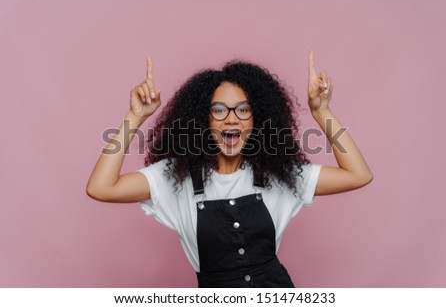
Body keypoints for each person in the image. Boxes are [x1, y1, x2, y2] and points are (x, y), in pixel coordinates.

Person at [86, 52, 373, 287]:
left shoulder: (279, 176)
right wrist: (135, 116)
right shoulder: (175, 179)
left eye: (243, 110)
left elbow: (357, 174)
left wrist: (322, 111)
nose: (231, 120)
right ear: (203, 120)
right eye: (219, 110)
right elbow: (101, 187)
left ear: (257, 119)